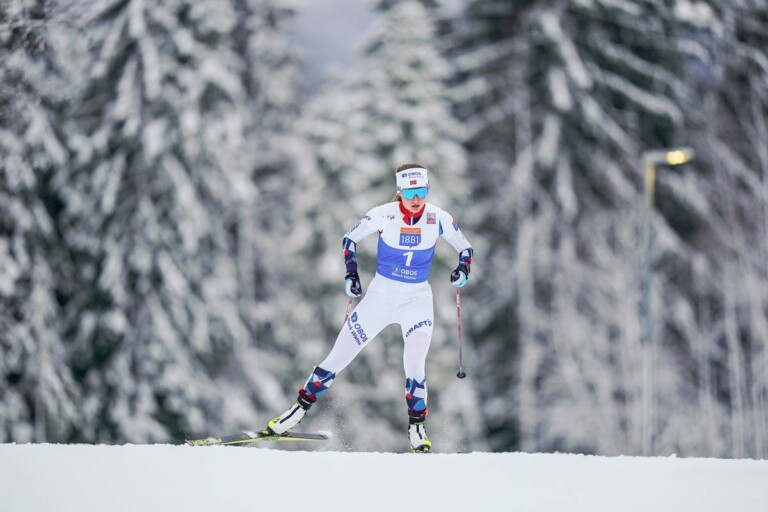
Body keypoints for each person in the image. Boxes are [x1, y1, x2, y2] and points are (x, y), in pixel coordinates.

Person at [265, 163, 473, 452]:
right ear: (400, 191)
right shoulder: (382, 214)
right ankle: (296, 412)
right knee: (337, 357)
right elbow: (349, 239)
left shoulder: (438, 218)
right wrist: (351, 274)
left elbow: (465, 248)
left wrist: (463, 269)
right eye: (410, 191)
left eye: (422, 191)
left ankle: (416, 429)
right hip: (381, 297)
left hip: (417, 301)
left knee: (415, 364)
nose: (416, 199)